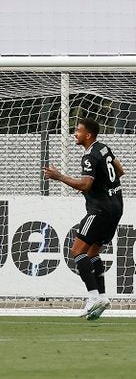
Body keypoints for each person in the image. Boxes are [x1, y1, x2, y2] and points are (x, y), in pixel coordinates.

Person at [43, 118, 124, 321]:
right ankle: (102, 297)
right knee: (93, 252)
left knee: (77, 251)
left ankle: (92, 297)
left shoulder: (89, 156)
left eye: (78, 131)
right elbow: (120, 171)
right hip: (116, 207)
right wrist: (102, 186)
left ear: (88, 135)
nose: (75, 134)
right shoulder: (104, 148)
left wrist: (59, 176)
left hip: (100, 210)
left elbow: (85, 185)